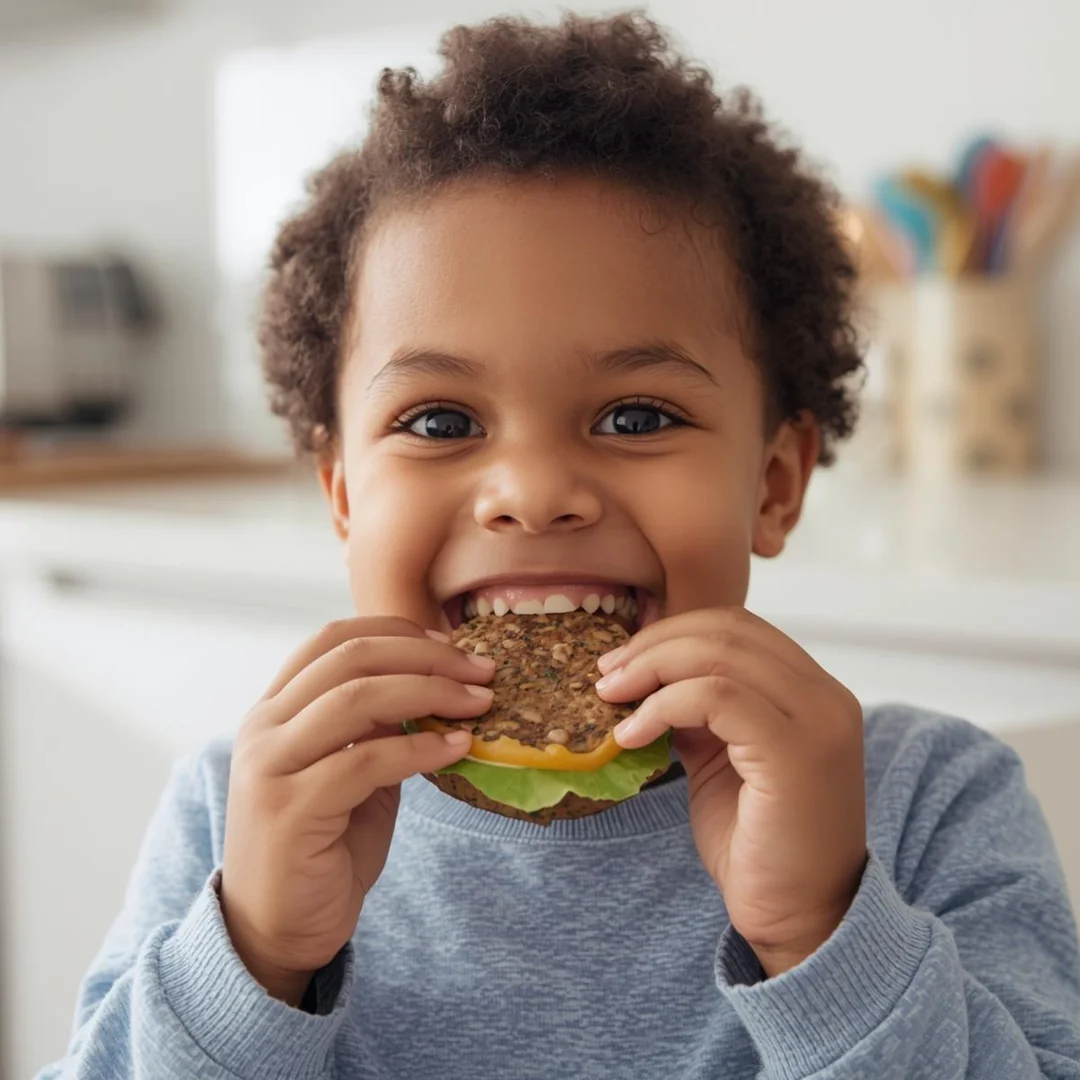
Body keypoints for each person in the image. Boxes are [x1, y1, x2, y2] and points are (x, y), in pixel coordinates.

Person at [39, 12, 1080, 1079]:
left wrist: (821, 927)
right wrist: (255, 959)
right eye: (440, 422)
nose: (532, 495)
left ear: (773, 482)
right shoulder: (240, 815)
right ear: (343, 493)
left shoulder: (927, 803)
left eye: (635, 416)